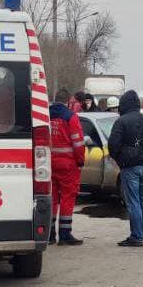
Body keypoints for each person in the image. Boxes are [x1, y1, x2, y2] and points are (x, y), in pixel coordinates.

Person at [107, 90, 143, 247]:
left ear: (123, 105)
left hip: (130, 167)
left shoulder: (121, 122)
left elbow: (113, 145)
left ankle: (136, 236)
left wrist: (121, 160)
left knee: (134, 202)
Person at [49, 87, 86, 245]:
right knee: (67, 198)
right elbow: (78, 143)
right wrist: (80, 161)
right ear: (67, 101)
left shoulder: (44, 114)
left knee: (51, 198)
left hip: (48, 163)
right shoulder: (70, 117)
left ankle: (49, 234)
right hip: (67, 165)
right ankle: (64, 234)